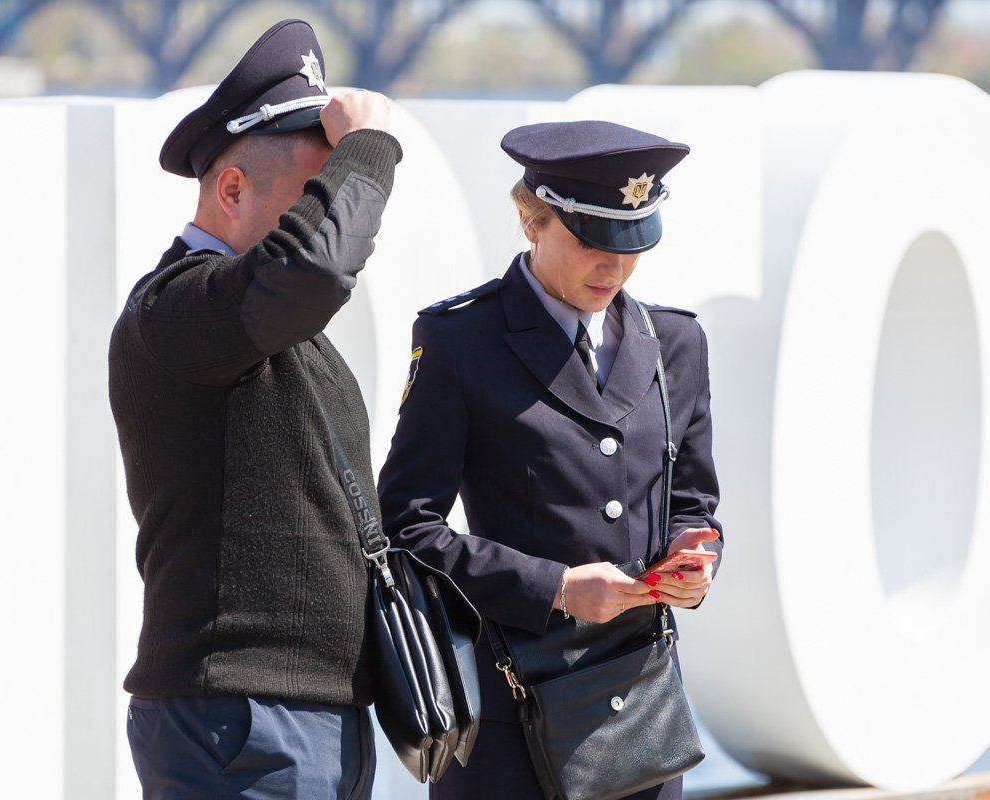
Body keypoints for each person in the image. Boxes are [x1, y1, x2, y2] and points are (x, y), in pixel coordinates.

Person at [376, 120, 722, 799]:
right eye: (592, 243)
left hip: (641, 708)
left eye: (632, 245)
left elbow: (693, 501)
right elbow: (406, 527)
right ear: (531, 222)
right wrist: (556, 588)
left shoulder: (676, 342)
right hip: (510, 714)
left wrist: (695, 557)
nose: (614, 268)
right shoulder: (461, 340)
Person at [108, 18, 401, 800]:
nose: (327, 216)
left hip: (303, 715)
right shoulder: (175, 310)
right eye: (314, 197)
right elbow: (314, 270)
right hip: (241, 718)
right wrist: (369, 151)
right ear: (232, 189)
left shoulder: (260, 323)